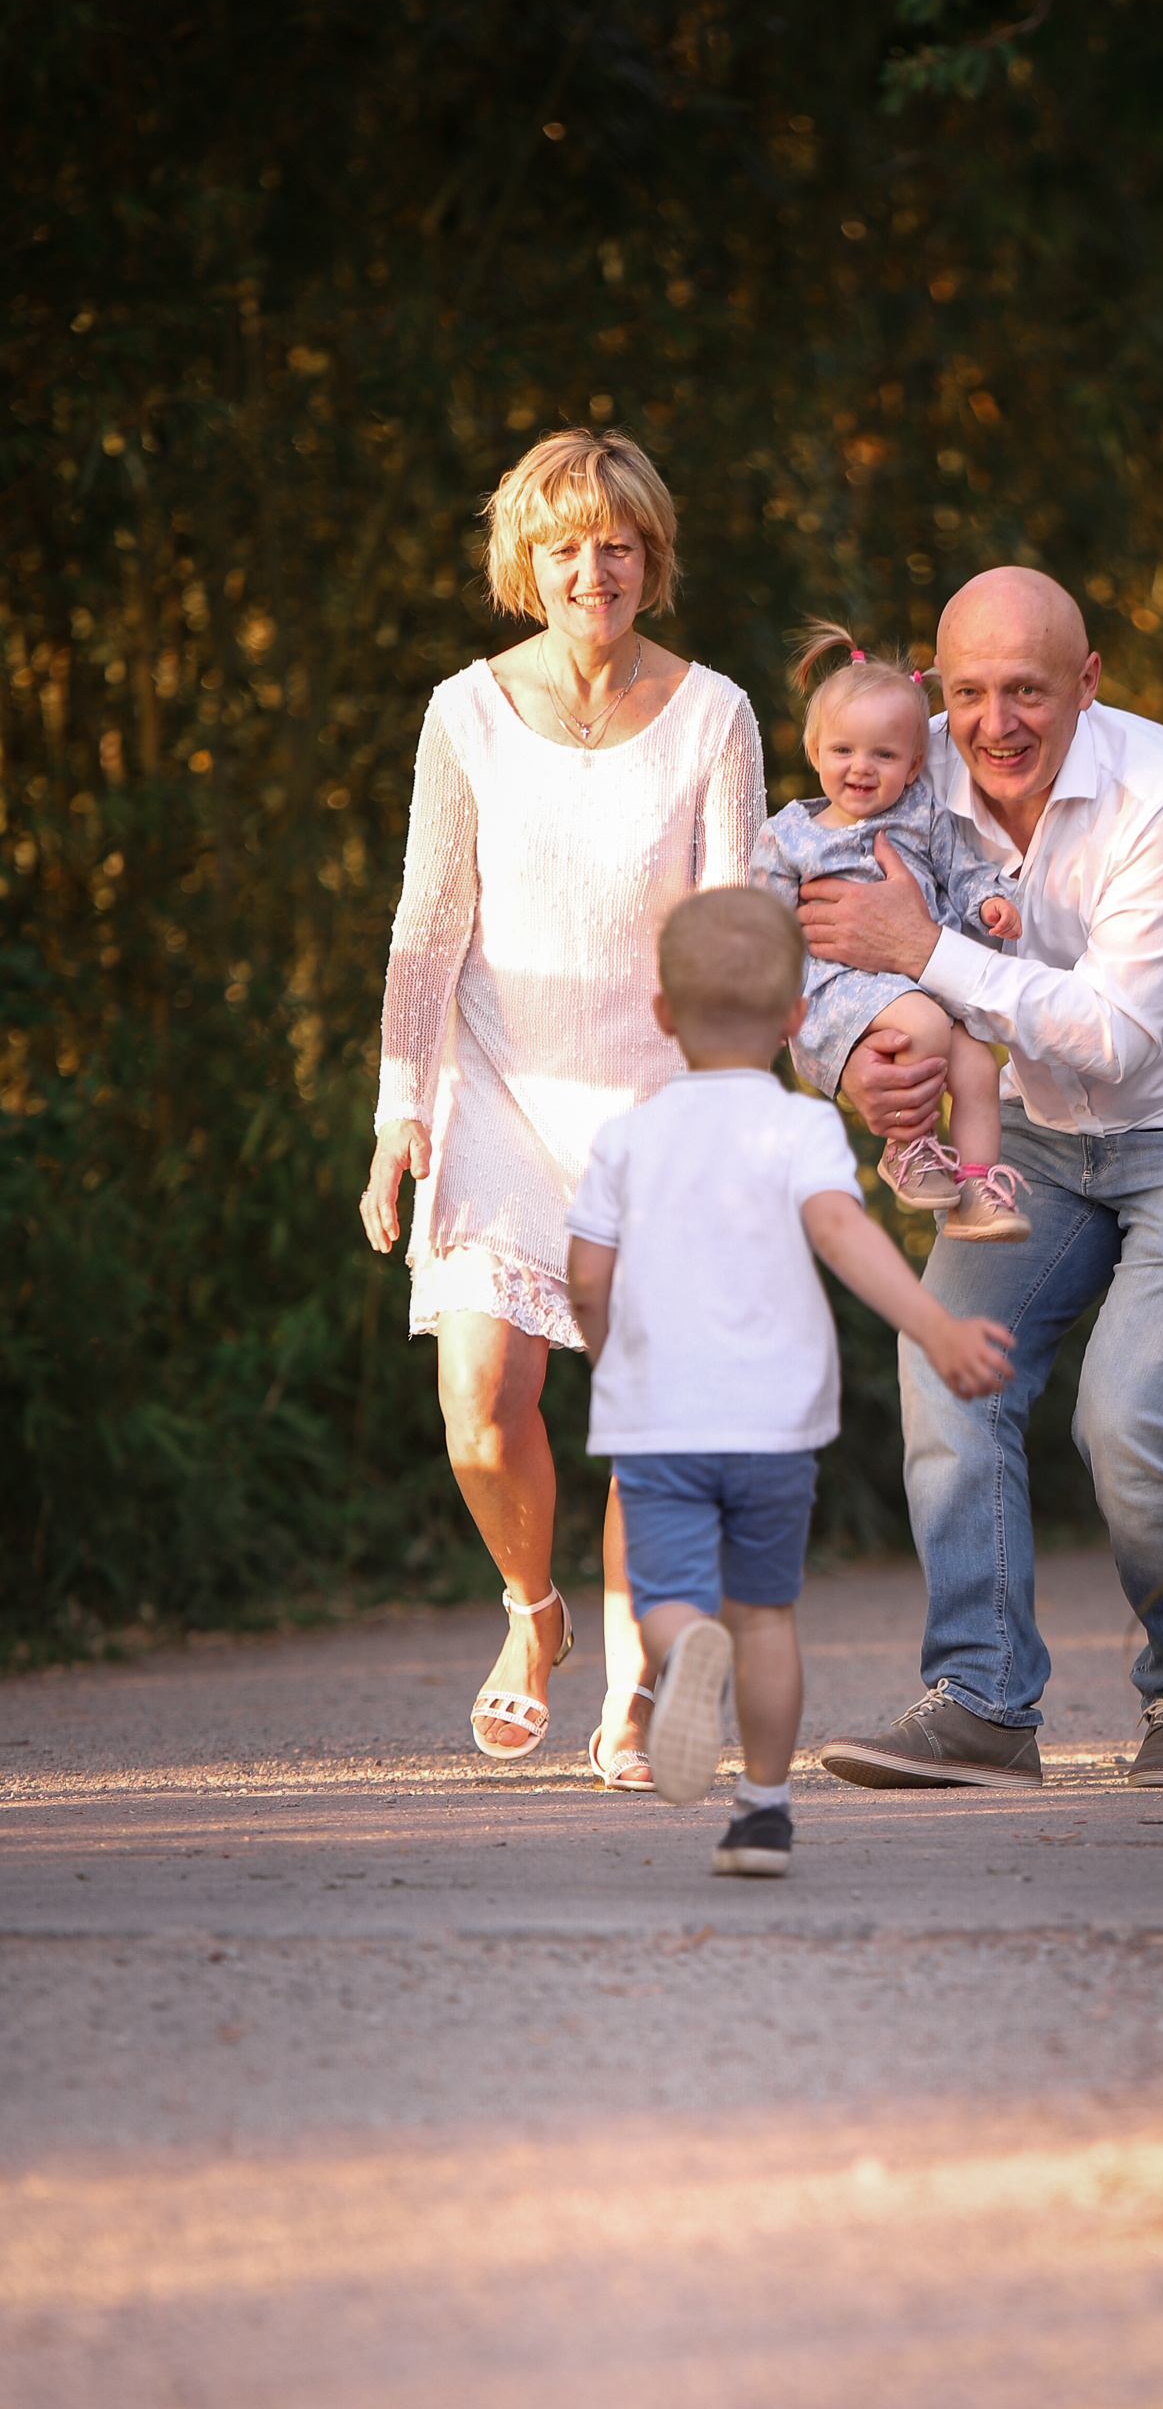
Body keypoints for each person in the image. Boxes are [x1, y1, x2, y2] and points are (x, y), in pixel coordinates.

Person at [805, 566, 1163, 1792]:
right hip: (1037, 1134)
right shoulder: (904, 765)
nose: (997, 724)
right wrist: (851, 1066)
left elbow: (1112, 1035)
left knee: (1129, 1414)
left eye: (1028, 691)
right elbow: (816, 932)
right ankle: (983, 1705)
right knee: (947, 1358)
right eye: (971, 693)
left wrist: (926, 949)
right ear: (936, 687)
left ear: (1087, 682)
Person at [359, 429, 764, 1786]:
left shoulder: (714, 714)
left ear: (653, 557)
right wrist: (399, 1111)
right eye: (566, 547)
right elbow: (428, 927)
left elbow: (737, 927)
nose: (595, 570)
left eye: (619, 544)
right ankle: (535, 1615)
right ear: (524, 565)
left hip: (660, 1107)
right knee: (482, 1403)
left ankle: (632, 1697)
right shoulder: (466, 712)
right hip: (497, 1091)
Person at [563, 887, 1013, 1875]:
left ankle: (685, 1648)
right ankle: (763, 1813)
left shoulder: (626, 1139)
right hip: (772, 1422)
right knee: (765, 1616)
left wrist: (609, 1358)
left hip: (659, 1418)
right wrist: (935, 1325)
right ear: (796, 1016)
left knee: (666, 1595)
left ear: (663, 1013)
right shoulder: (802, 1129)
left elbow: (587, 1278)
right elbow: (843, 1234)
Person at [750, 623, 1030, 1241]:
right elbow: (766, 929)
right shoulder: (789, 835)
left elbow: (963, 871)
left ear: (913, 765)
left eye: (884, 755)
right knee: (925, 1025)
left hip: (924, 984)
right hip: (839, 992)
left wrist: (989, 902)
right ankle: (908, 1148)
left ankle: (976, 1190)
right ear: (814, 751)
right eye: (843, 750)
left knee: (978, 1069)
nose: (861, 767)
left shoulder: (922, 814)